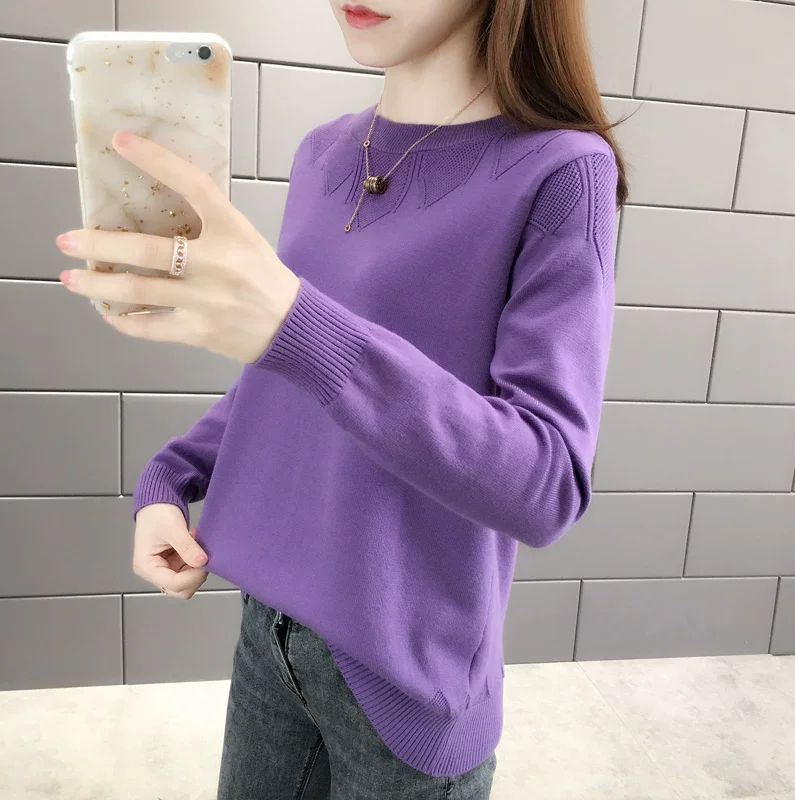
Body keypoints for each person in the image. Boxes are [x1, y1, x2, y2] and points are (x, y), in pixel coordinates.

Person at [56, 0, 628, 796]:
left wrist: (293, 322)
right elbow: (292, 375)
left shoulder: (562, 171)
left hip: (406, 676)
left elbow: (547, 484)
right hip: (270, 635)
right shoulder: (323, 152)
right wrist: (170, 476)